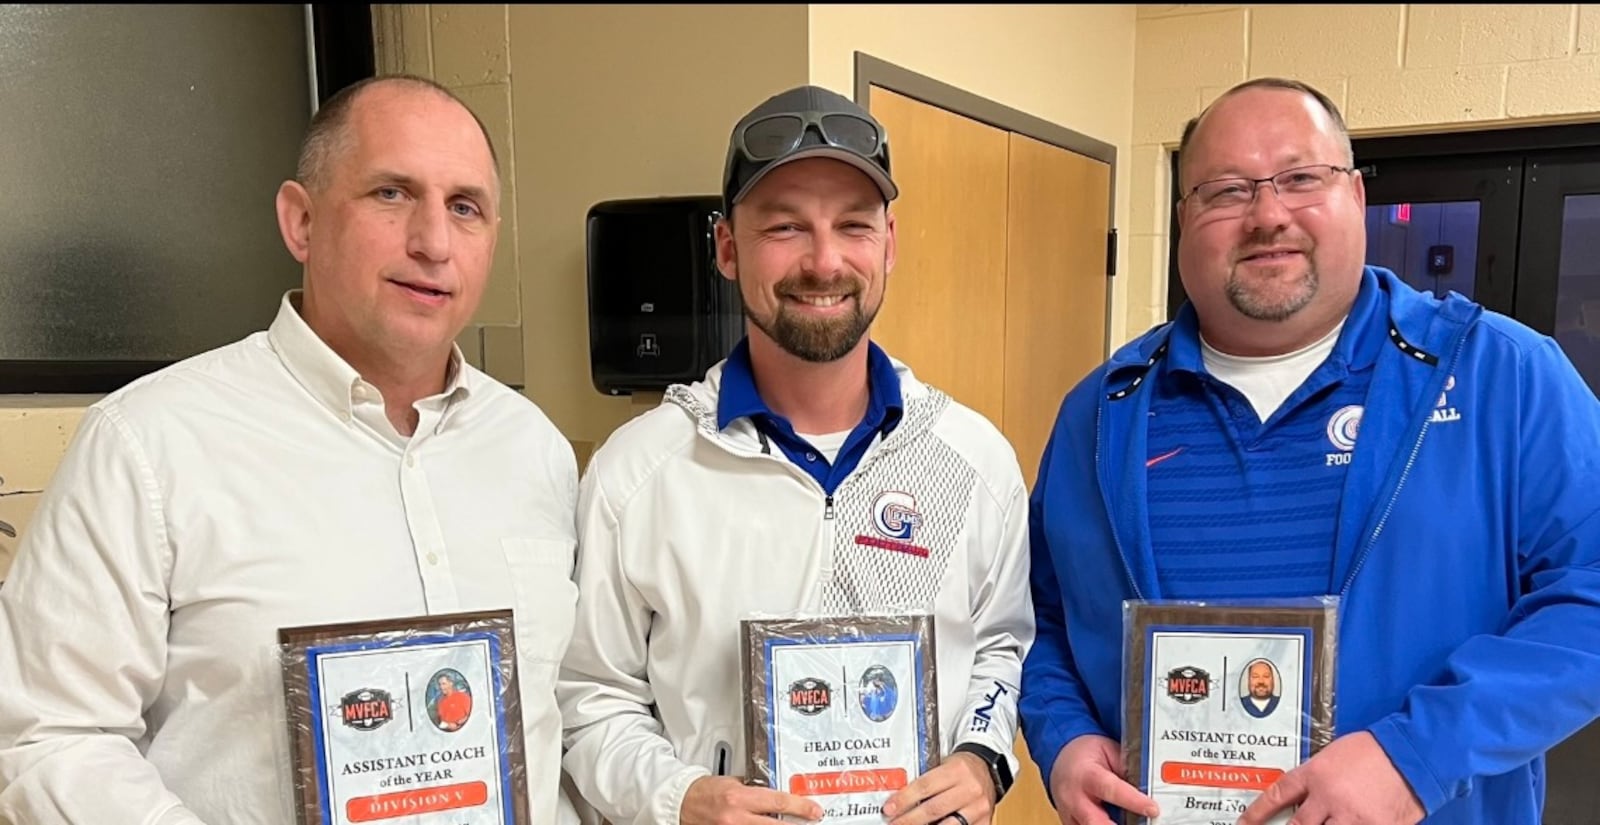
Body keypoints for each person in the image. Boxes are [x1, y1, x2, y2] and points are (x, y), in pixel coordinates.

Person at [1018, 75, 1600, 825]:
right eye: (1227, 190)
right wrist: (1063, 739)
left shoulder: (1499, 376)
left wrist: (1417, 755)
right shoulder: (1100, 413)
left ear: (1355, 196)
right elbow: (1041, 620)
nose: (1267, 215)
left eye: (1300, 178)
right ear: (1183, 215)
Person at [0, 75, 581, 824]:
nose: (434, 242)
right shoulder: (148, 443)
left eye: (464, 207)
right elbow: (49, 735)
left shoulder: (535, 450)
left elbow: (563, 715)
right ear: (300, 222)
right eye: (391, 194)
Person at [557, 85, 1034, 825]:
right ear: (726, 246)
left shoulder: (972, 461)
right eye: (784, 227)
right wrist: (676, 795)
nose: (824, 261)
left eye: (853, 225)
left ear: (890, 244)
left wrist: (982, 758)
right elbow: (591, 700)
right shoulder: (639, 473)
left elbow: (1001, 647)